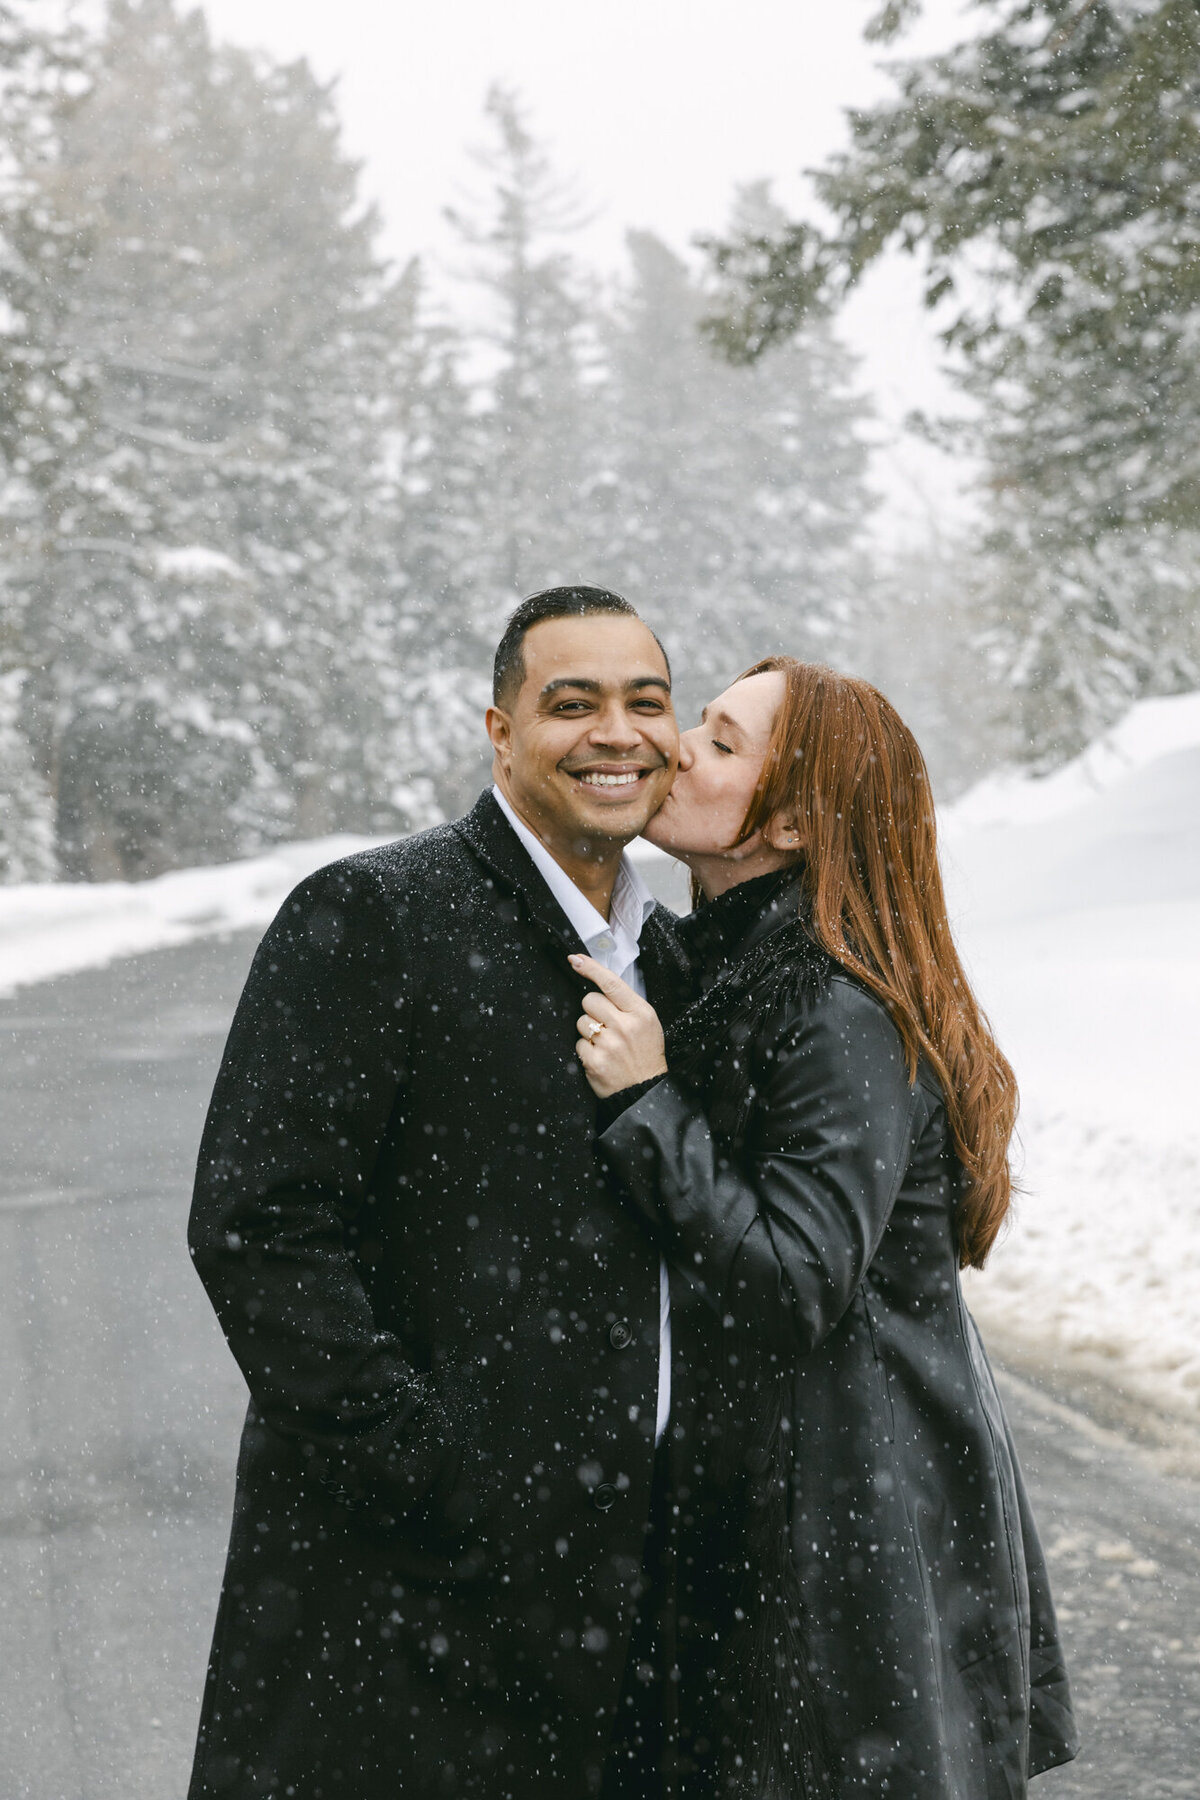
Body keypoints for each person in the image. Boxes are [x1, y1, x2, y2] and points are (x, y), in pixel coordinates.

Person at [187, 586, 718, 1799]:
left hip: (626, 1605)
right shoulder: (376, 914)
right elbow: (258, 1226)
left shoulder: (676, 958)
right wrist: (429, 1471)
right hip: (407, 1602)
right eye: (569, 704)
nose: (616, 734)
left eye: (646, 701)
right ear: (499, 732)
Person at [571, 658, 1080, 1799]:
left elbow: (796, 1280)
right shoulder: (725, 967)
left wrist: (649, 1107)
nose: (675, 748)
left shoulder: (832, 1009)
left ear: (793, 821)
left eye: (721, 741)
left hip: (847, 1534)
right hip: (797, 1513)